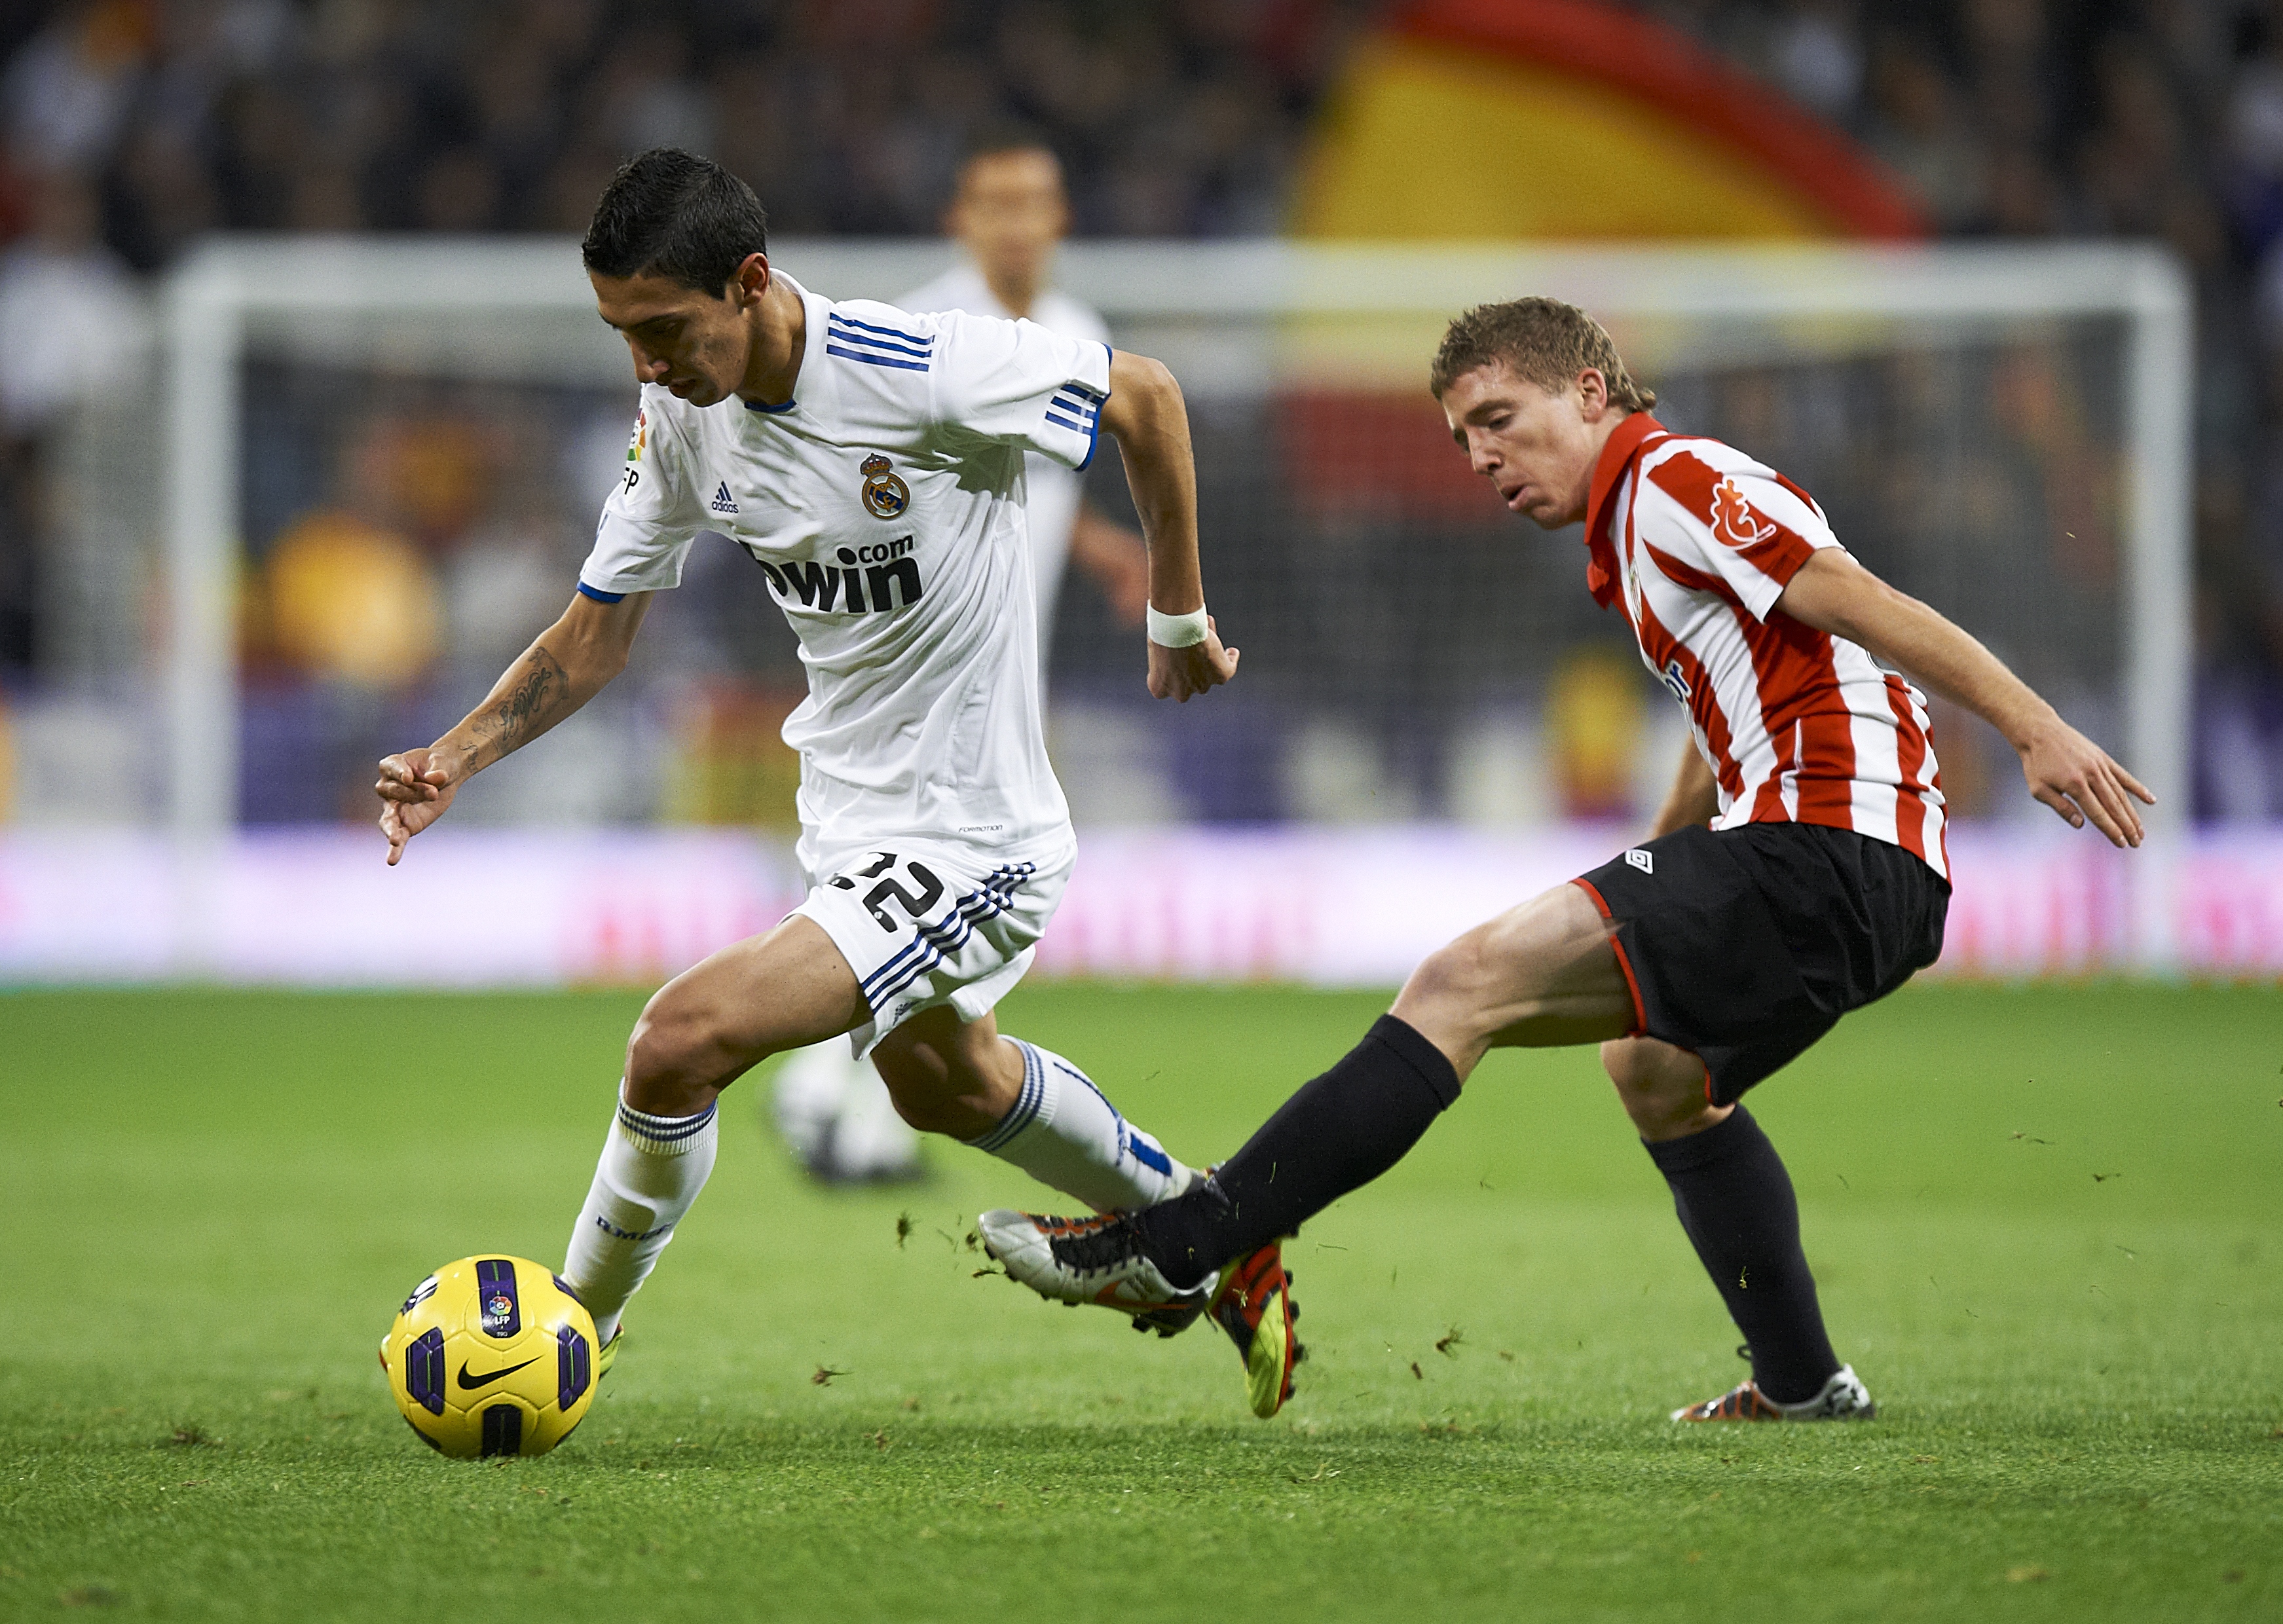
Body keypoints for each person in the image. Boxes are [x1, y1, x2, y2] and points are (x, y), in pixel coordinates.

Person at [981, 297, 2153, 1422]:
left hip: (1826, 844)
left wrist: (2030, 726)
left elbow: (1854, 598)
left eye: (1500, 418)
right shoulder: (1636, 533)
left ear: (1590, 392)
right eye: (1461, 439)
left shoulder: (1671, 478)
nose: (1481, 457)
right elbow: (1725, 726)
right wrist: (1651, 869)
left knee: (1459, 985)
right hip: (1855, 867)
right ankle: (1802, 1381)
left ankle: (1189, 1243)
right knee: (1654, 1072)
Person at [373, 149, 1296, 1414]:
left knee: (678, 1042)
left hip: (976, 835)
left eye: (664, 329)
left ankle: (568, 1332)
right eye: (621, 333)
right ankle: (1216, 1234)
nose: (643, 361)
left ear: (750, 284)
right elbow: (597, 632)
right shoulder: (685, 417)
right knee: (942, 1081)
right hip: (852, 826)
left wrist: (1180, 616)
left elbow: (1148, 398)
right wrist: (454, 758)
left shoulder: (915, 365)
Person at [771, 128, 1149, 1186]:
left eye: (1038, 201)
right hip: (919, 648)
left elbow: (1031, 476)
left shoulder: (1075, 328)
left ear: (1060, 219)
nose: (1019, 222)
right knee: (933, 865)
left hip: (1010, 646)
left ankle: (828, 1099)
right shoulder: (920, 334)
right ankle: (843, 1107)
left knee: (933, 878)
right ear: (961, 218)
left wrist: (1105, 546)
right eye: (998, 202)